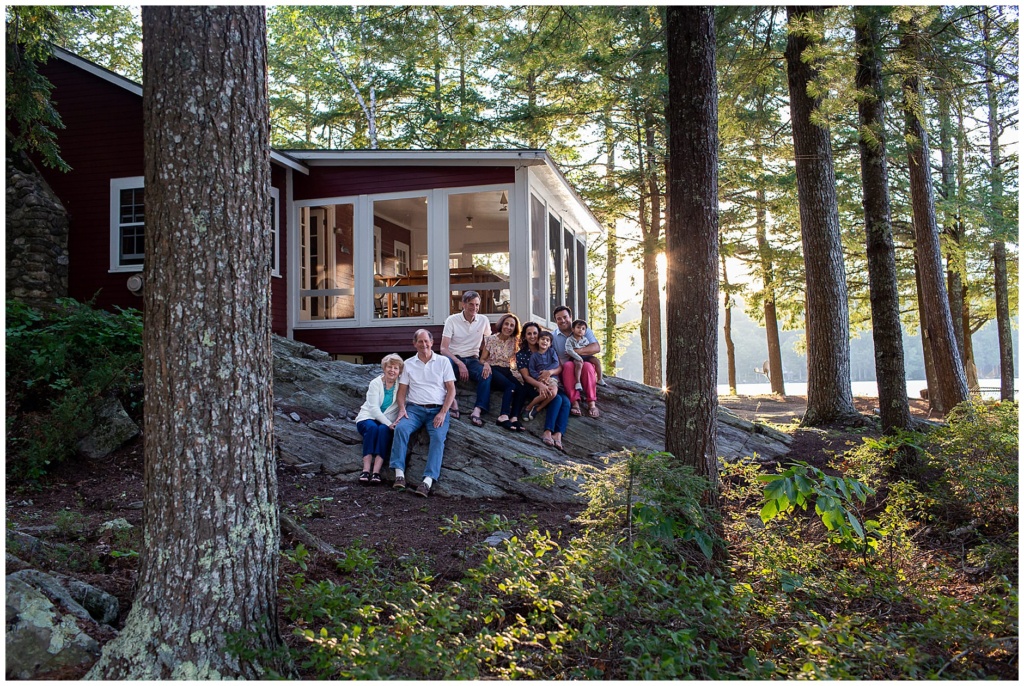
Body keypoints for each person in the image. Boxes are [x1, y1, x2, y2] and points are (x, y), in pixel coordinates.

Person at [389, 329, 456, 498]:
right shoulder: (408, 364)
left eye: (426, 341)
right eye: (420, 341)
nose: (424, 344)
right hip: (415, 409)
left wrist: (443, 412)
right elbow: (402, 391)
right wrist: (402, 409)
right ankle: (399, 474)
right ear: (414, 344)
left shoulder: (443, 362)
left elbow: (451, 390)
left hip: (437, 410)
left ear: (432, 342)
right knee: (401, 429)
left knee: (438, 438)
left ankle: (428, 481)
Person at [440, 290, 492, 427]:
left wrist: (486, 362)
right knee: (443, 366)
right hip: (454, 358)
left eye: (477, 304)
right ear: (463, 304)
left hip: (473, 359)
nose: (474, 308)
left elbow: (489, 345)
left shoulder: (483, 320)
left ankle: (477, 410)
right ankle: (452, 402)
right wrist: (459, 363)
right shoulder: (452, 320)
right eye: (471, 304)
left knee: (486, 374)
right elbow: (443, 349)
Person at [517, 322, 571, 450]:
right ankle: (547, 431)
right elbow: (526, 376)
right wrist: (540, 384)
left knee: (566, 402)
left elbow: (559, 367)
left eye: (535, 333)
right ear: (524, 336)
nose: (532, 336)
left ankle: (558, 434)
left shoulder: (548, 347)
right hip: (534, 385)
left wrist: (550, 372)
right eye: (529, 334)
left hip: (551, 380)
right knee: (557, 399)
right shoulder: (522, 354)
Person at [353, 353, 404, 485]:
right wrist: (389, 424)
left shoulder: (401, 385)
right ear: (384, 368)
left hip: (387, 421)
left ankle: (376, 472)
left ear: (399, 371)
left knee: (382, 431)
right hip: (368, 417)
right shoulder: (375, 383)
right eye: (389, 367)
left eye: (396, 368)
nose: (392, 370)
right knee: (372, 428)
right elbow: (374, 409)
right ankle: (365, 470)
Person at [479, 312, 526, 432]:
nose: (508, 327)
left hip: (507, 370)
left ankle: (514, 417)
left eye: (512, 325)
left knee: (521, 388)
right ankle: (503, 416)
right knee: (510, 386)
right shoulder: (491, 339)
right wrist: (486, 364)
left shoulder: (515, 341)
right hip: (493, 369)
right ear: (501, 324)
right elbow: (482, 359)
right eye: (506, 324)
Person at [553, 305, 601, 418]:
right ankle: (575, 402)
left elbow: (596, 348)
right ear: (555, 321)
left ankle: (592, 403)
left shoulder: (583, 329)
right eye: (559, 318)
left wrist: (577, 351)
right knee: (568, 365)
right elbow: (555, 359)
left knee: (588, 366)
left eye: (565, 317)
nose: (563, 320)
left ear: (570, 317)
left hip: (584, 363)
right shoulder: (553, 336)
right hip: (566, 369)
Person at [523, 331, 561, 420]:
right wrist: (539, 377)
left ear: (550, 344)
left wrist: (547, 372)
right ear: (537, 341)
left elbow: (556, 363)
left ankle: (537, 408)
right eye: (542, 339)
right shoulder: (534, 356)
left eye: (547, 340)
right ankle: (528, 407)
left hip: (552, 378)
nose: (545, 341)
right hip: (540, 380)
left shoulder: (551, 351)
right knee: (544, 394)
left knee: (553, 393)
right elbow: (531, 370)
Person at [564, 318, 603, 395]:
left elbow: (589, 348)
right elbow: (569, 350)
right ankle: (578, 382)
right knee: (579, 364)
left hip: (585, 356)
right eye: (578, 327)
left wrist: (586, 353)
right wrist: (578, 357)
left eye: (583, 329)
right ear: (573, 329)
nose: (580, 330)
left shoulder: (585, 340)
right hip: (575, 357)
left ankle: (600, 379)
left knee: (597, 361)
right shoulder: (570, 339)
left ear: (585, 331)